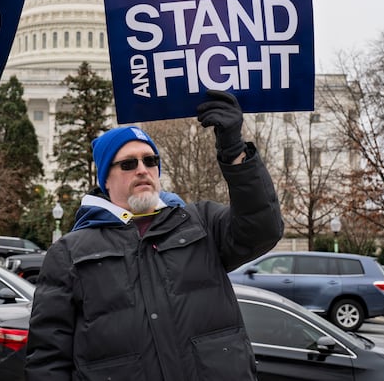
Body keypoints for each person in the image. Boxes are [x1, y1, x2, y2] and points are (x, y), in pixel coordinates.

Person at [25, 90, 284, 381]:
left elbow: (262, 228)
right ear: (105, 179)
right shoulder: (68, 254)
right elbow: (48, 358)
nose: (142, 170)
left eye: (150, 161)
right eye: (128, 163)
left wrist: (234, 149)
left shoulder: (200, 222)